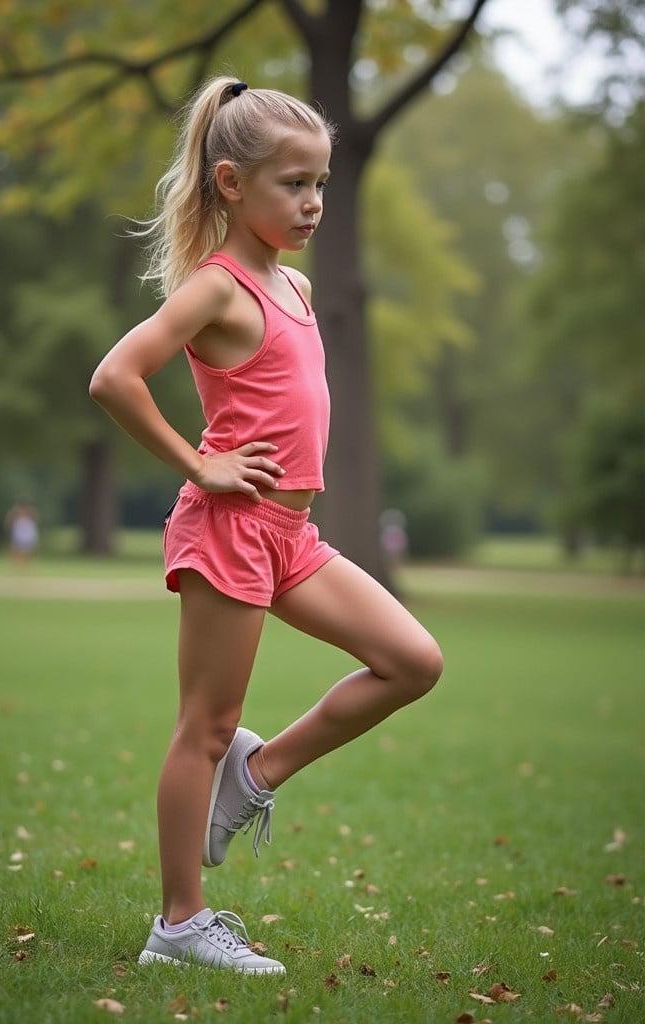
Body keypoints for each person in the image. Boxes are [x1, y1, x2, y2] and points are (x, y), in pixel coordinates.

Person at [89, 76, 444, 976]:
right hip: (229, 528)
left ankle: (256, 777)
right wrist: (198, 460)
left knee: (412, 661)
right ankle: (179, 924)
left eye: (320, 182)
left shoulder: (297, 285)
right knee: (204, 725)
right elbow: (115, 377)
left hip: (294, 536)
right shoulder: (216, 289)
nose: (313, 202)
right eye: (294, 183)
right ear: (230, 182)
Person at [4, 500, 39, 568]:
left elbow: (35, 520)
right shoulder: (15, 513)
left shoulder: (30, 512)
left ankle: (25, 565)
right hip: (19, 532)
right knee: (15, 548)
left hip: (27, 532)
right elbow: (9, 521)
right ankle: (16, 564)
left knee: (27, 550)